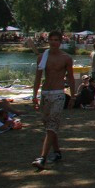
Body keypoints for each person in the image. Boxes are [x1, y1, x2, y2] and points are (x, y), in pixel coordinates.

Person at [31, 31, 75, 170]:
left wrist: (73, 96)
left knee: (52, 125)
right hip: (45, 93)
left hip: (58, 93)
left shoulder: (66, 58)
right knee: (49, 125)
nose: (54, 42)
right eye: (52, 40)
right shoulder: (42, 57)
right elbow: (38, 77)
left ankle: (42, 157)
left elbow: (71, 78)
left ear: (60, 42)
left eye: (56, 40)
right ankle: (57, 152)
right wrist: (34, 95)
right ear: (48, 41)